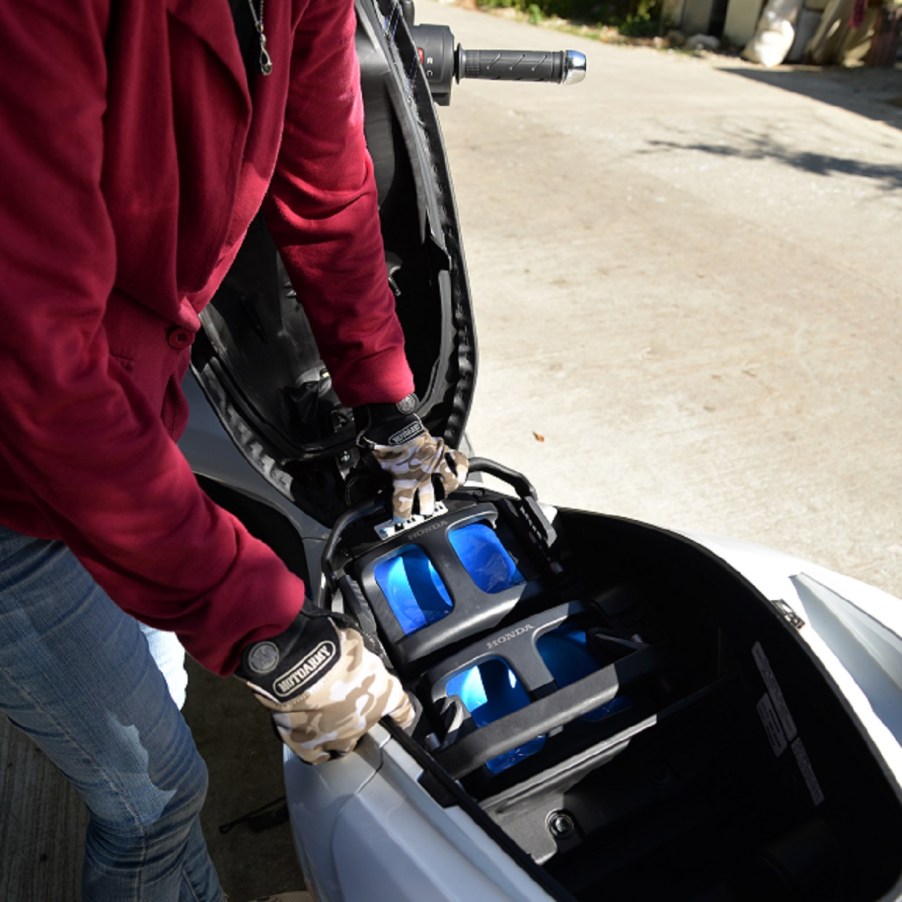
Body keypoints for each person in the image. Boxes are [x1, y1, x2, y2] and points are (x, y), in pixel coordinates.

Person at [0, 1, 466, 899]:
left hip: (108, 426)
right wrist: (264, 629)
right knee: (154, 796)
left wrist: (388, 404)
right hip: (21, 468)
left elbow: (327, 190)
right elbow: (34, 361)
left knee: (160, 675)